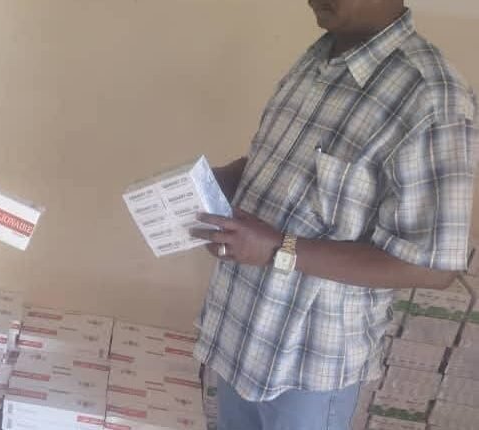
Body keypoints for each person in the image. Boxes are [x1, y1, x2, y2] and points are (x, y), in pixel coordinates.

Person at [190, 1, 477, 429]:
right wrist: (226, 179)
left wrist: (278, 249)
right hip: (240, 332)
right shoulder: (316, 60)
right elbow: (290, 165)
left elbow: (433, 267)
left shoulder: (432, 98)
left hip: (309, 367)